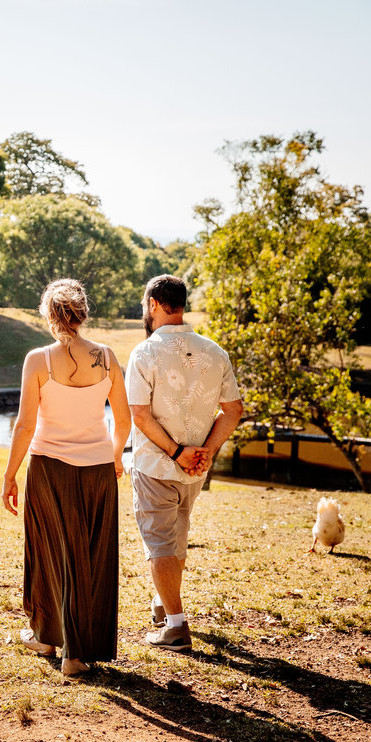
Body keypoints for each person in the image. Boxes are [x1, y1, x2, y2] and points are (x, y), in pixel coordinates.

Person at [1, 279, 132, 677]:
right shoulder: (107, 357)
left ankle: (64, 651)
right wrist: (112, 458)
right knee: (89, 558)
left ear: (48, 314)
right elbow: (123, 422)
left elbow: (24, 425)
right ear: (83, 314)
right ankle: (57, 642)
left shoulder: (37, 359)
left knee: (48, 555)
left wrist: (10, 475)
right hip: (97, 471)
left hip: (48, 469)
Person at [126, 275, 243, 652]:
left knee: (160, 543)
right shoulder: (214, 350)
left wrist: (177, 453)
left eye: (147, 304)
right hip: (194, 469)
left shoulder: (144, 353)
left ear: (154, 305)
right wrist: (205, 451)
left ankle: (175, 627)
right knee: (175, 536)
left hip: (158, 465)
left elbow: (140, 416)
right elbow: (234, 410)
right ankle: (163, 606)